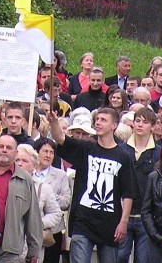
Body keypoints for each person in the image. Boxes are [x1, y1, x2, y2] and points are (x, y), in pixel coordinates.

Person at [48, 108, 137, 263]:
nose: (98, 123)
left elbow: (128, 193)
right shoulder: (86, 148)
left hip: (110, 222)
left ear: (114, 125)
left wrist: (123, 222)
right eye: (97, 119)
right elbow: (60, 138)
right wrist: (54, 122)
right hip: (83, 220)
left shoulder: (123, 156)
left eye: (104, 120)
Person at [0, 136, 42, 263]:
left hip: (10, 251)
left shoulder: (25, 179)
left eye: (9, 148)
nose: (4, 150)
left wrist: (34, 251)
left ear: (15, 153)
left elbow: (32, 217)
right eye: (1, 147)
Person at [118, 107, 160, 263]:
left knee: (143, 259)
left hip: (146, 216)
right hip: (123, 214)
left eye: (145, 122)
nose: (140, 125)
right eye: (137, 121)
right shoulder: (121, 150)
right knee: (120, 257)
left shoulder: (158, 153)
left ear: (153, 126)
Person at [15, 144, 60, 263]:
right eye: (17, 160)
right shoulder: (6, 184)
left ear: (34, 165)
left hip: (32, 249)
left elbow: (56, 214)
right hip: (9, 248)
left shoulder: (43, 188)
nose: (20, 164)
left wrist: (37, 223)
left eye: (24, 161)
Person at [31, 138, 70, 263]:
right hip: (29, 229)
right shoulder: (28, 173)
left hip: (52, 231)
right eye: (45, 151)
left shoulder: (61, 175)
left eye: (51, 152)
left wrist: (48, 196)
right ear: (37, 152)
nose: (48, 155)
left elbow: (66, 202)